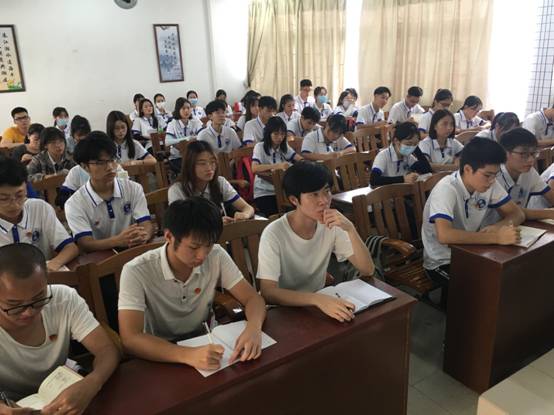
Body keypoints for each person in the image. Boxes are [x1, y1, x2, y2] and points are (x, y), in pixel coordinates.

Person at [118, 198, 266, 369]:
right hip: (161, 351)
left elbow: (253, 299)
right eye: (194, 247)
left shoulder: (216, 255)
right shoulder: (136, 270)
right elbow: (131, 338)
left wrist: (253, 328)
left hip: (206, 340)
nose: (202, 256)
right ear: (169, 237)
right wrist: (187, 355)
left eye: (208, 245)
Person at [0, 243, 119, 409]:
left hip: (64, 391)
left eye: (38, 298)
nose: (28, 312)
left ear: (46, 280)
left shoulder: (63, 299)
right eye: (14, 305)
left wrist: (92, 383)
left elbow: (106, 350)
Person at [257, 162, 374, 322]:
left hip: (317, 304)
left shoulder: (331, 223)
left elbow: (367, 269)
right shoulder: (274, 233)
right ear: (294, 200)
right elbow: (268, 292)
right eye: (314, 194)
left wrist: (350, 229)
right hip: (282, 311)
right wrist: (316, 299)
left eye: (327, 191)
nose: (324, 201)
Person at [422, 137, 524, 293]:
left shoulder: (489, 183)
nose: (492, 181)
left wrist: (498, 227)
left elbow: (517, 213)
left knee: (511, 274)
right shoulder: (446, 189)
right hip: (443, 260)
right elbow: (445, 235)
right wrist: (496, 237)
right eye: (487, 175)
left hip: (474, 251)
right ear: (468, 169)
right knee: (484, 288)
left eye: (495, 175)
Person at [65, 133, 153, 252]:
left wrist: (143, 236)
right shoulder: (74, 203)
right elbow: (85, 243)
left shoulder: (133, 188)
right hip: (101, 259)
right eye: (100, 163)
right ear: (84, 167)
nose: (110, 167)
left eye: (112, 159)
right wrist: (117, 241)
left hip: (134, 250)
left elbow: (145, 223)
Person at [0, 156, 78, 270]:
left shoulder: (40, 208)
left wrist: (53, 265)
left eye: (19, 195)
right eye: (4, 199)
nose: (14, 204)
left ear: (26, 188)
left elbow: (70, 248)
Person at [168, 141, 254, 222]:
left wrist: (245, 214)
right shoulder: (177, 190)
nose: (209, 168)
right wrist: (215, 223)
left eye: (212, 162)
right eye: (202, 163)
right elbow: (180, 223)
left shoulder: (220, 182)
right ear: (189, 165)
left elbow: (248, 208)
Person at [483, 128, 554, 223]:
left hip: (519, 225)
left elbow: (551, 196)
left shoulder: (529, 172)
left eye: (534, 153)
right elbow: (513, 212)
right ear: (505, 153)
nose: (531, 160)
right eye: (523, 154)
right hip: (491, 228)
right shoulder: (492, 176)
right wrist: (549, 213)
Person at [252, 117, 303, 217]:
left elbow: (299, 159)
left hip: (282, 190)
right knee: (277, 216)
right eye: (276, 134)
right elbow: (254, 168)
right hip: (264, 192)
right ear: (268, 133)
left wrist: (301, 163)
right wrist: (277, 166)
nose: (280, 137)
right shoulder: (260, 147)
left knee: (297, 210)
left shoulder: (284, 146)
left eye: (282, 134)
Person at [370, 122, 432, 186]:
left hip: (400, 191)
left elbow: (426, 170)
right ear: (396, 141)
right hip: (385, 191)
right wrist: (403, 179)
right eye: (408, 144)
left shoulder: (408, 157)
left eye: (415, 144)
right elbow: (374, 180)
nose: (411, 147)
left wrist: (415, 147)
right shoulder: (383, 155)